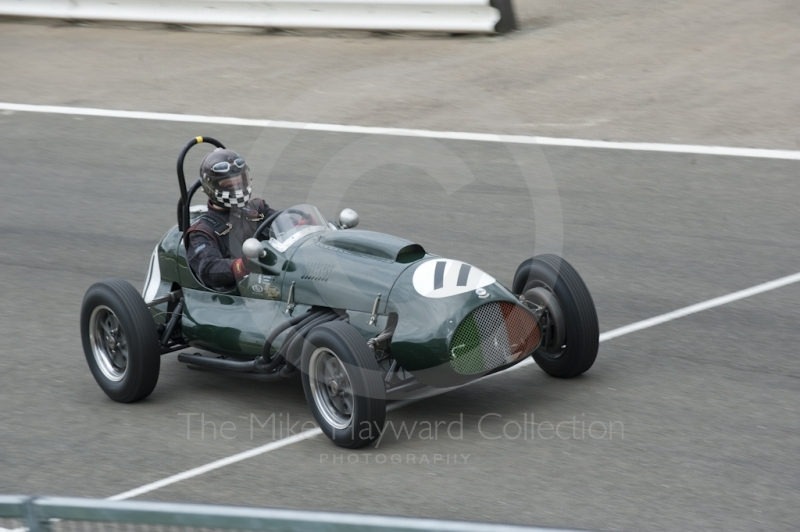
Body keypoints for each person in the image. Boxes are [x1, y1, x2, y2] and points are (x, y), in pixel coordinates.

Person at [185, 148, 277, 289]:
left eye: (240, 182)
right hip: (237, 296)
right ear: (211, 188)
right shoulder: (202, 232)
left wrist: (300, 222)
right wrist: (241, 266)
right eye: (229, 185)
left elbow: (280, 221)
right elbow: (209, 268)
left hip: (273, 278)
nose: (237, 189)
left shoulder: (257, 208)